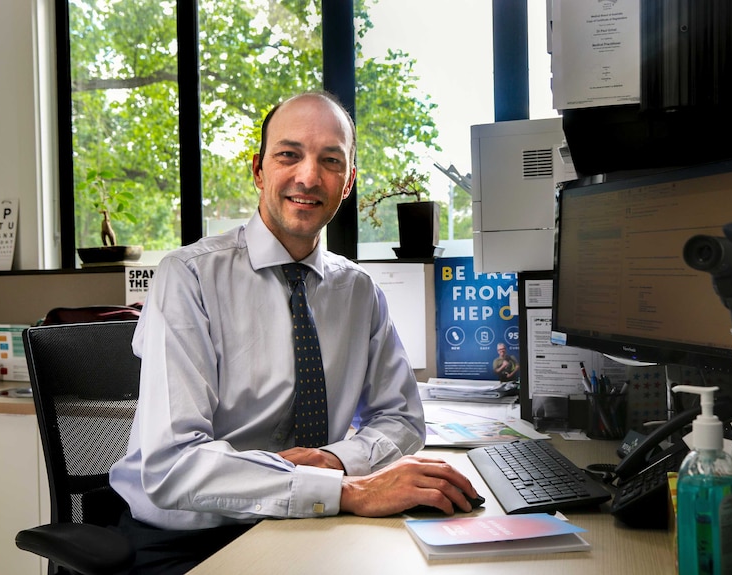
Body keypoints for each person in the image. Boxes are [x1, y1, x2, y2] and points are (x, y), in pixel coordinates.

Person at [109, 90, 480, 574]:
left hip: (310, 523)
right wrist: (347, 490)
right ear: (259, 170)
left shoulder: (358, 291)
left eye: (330, 160)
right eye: (289, 155)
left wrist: (333, 461)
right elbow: (174, 465)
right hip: (191, 537)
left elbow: (403, 420)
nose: (308, 176)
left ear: (347, 183)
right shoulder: (189, 277)